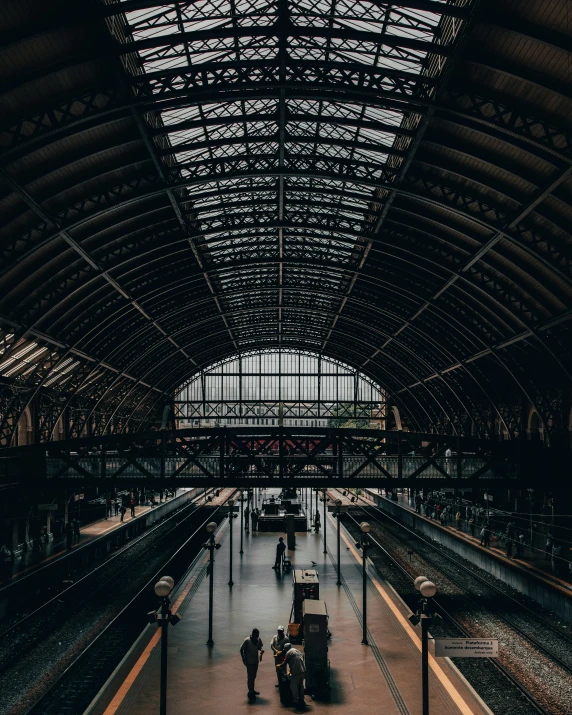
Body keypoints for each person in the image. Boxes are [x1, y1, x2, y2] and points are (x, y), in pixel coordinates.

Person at [240, 628, 263, 700]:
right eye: (256, 635)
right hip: (249, 662)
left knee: (254, 676)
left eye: (258, 635)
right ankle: (250, 692)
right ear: (253, 634)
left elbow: (259, 646)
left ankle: (252, 689)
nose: (257, 636)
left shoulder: (258, 639)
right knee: (250, 677)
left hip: (256, 661)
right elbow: (241, 649)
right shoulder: (247, 641)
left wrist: (261, 650)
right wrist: (243, 658)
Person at [280, 643, 306, 710]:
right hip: (303, 670)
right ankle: (302, 699)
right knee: (301, 685)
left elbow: (284, 662)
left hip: (296, 671)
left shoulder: (288, 652)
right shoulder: (297, 650)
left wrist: (279, 665)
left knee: (294, 686)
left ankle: (296, 701)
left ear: (286, 649)